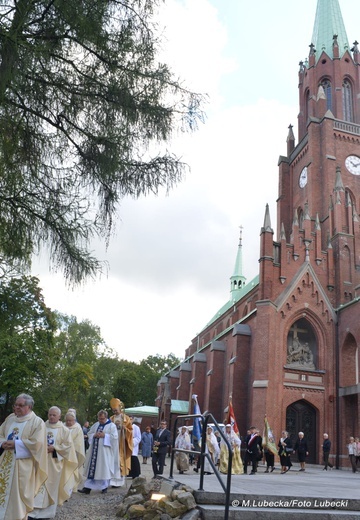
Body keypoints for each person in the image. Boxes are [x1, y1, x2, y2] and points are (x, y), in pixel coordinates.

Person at [0, 393, 47, 520]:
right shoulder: (10, 418)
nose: (17, 408)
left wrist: (16, 444)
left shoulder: (37, 422)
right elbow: (1, 433)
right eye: (15, 405)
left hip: (22, 466)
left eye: (20, 405)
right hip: (4, 462)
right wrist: (2, 442)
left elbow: (38, 444)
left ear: (29, 407)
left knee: (18, 495)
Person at [30, 406, 77, 519]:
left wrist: (54, 448)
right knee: (37, 484)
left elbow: (68, 446)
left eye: (54, 415)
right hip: (39, 462)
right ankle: (33, 512)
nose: (51, 417)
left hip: (54, 463)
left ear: (59, 416)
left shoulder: (64, 430)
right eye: (50, 414)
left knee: (51, 487)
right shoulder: (41, 426)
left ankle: (47, 513)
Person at [79, 409, 120, 494]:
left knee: (103, 469)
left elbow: (115, 437)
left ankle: (104, 487)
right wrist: (94, 435)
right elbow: (90, 433)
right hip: (94, 451)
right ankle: (87, 488)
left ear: (106, 417)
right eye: (99, 418)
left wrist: (105, 435)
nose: (100, 420)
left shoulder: (111, 426)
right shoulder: (96, 424)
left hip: (104, 452)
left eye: (102, 419)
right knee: (92, 468)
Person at [109, 398, 133, 486]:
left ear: (120, 409)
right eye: (113, 410)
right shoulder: (111, 418)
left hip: (122, 442)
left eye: (116, 410)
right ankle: (112, 480)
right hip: (113, 443)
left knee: (120, 461)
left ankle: (120, 481)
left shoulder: (125, 418)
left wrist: (124, 429)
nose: (114, 412)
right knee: (113, 460)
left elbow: (130, 431)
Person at [64, 411, 86, 492]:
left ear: (74, 420)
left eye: (70, 420)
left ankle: (72, 487)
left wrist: (69, 446)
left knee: (72, 470)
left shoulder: (77, 428)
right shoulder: (62, 426)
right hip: (63, 453)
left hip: (73, 453)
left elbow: (78, 442)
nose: (68, 422)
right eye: (67, 420)